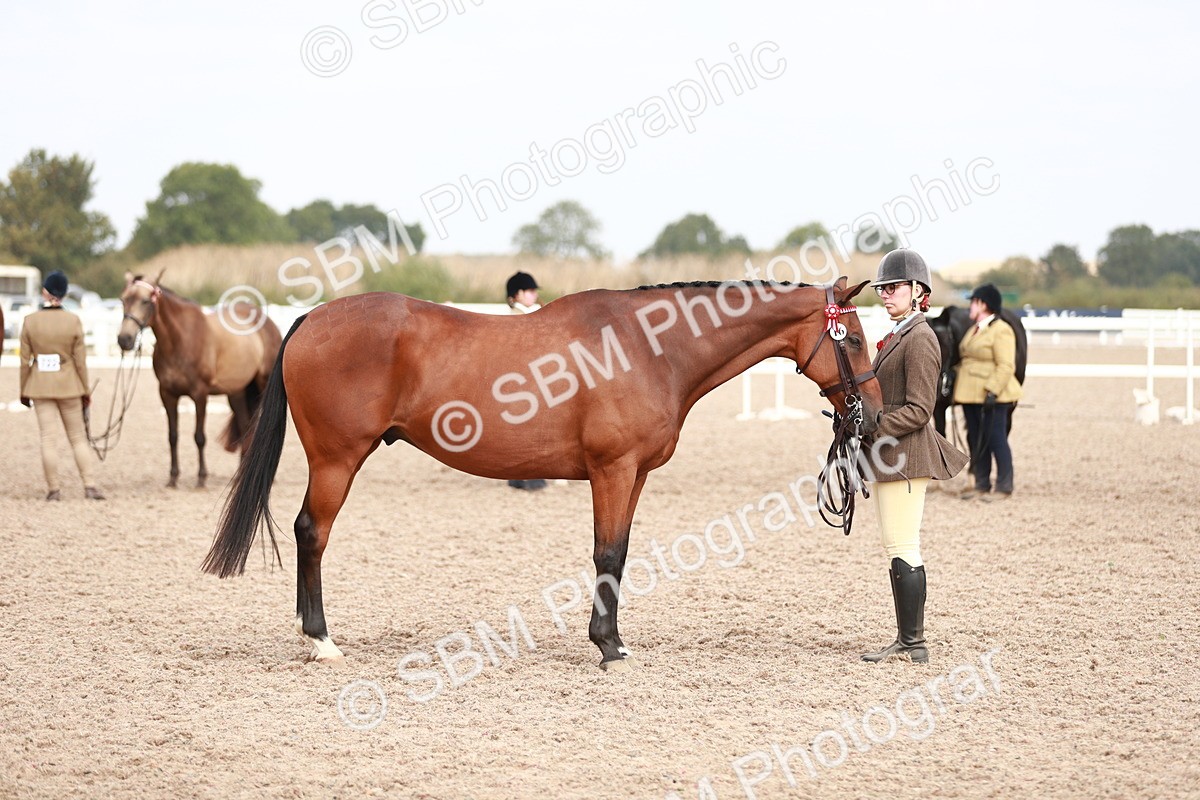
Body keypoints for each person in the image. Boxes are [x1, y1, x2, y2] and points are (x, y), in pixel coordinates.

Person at [862, 249, 968, 664]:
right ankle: (907, 639)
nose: (885, 295)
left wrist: (873, 426)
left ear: (918, 291)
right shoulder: (899, 334)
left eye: (893, 288)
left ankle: (913, 641)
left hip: (907, 456)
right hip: (891, 457)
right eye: (883, 289)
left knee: (903, 543)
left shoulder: (921, 338)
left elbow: (921, 410)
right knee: (894, 543)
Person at [19, 270, 105, 501]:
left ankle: (54, 489)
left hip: (40, 385)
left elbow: (24, 361)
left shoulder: (30, 321)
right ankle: (89, 485)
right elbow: (81, 362)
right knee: (77, 437)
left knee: (48, 438)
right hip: (69, 385)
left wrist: (24, 390)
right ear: (65, 294)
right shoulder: (73, 320)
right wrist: (85, 390)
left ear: (44, 292)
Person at [954, 283, 1021, 502]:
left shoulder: (1001, 330)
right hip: (970, 395)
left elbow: (1006, 365)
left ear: (983, 304)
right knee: (977, 439)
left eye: (973, 302)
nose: (970, 307)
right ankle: (981, 483)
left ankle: (1004, 485)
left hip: (991, 395)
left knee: (996, 439)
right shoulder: (975, 329)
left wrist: (992, 390)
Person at [504, 271, 546, 491]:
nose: (534, 294)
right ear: (518, 294)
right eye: (530, 291)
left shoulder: (528, 315)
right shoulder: (517, 318)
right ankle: (526, 474)